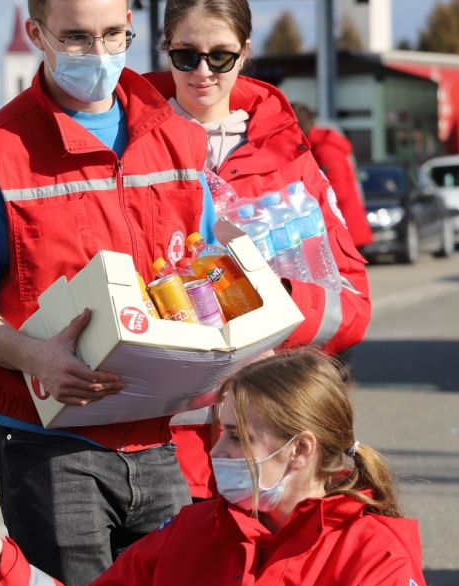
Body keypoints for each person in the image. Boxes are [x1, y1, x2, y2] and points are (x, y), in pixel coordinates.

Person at [0, 0, 223, 586]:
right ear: (37, 34)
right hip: (48, 447)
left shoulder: (178, 139)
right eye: (78, 38)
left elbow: (201, 263)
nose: (100, 54)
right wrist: (34, 356)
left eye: (114, 35)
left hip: (157, 439)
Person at [0, 350, 450, 586]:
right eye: (221, 432)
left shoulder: (372, 557)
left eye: (238, 437)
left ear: (300, 450)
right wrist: (4, 567)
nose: (216, 450)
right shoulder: (189, 533)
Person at [142, 0, 373, 500]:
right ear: (165, 49)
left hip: (273, 445)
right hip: (161, 446)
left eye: (221, 56)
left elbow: (352, 304)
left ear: (245, 52)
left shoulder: (287, 155)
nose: (203, 72)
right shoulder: (126, 145)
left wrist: (272, 305)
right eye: (186, 55)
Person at [292, 101, 374, 248]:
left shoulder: (325, 148)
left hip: (345, 229)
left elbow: (337, 192)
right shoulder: (319, 145)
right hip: (343, 227)